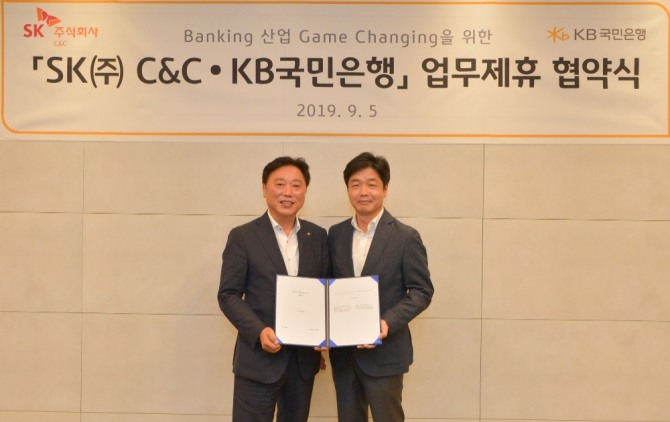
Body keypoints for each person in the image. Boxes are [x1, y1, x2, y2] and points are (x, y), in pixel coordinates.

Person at [218, 156, 329, 422]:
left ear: (305, 191)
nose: (288, 192)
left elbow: (326, 292)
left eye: (296, 185)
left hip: (302, 363)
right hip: (258, 360)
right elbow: (229, 295)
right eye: (280, 184)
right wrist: (259, 331)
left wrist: (325, 333)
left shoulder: (317, 236)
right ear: (264, 188)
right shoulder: (243, 236)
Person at [327, 152, 434, 421]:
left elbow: (421, 291)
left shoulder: (405, 237)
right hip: (344, 354)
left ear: (385, 189)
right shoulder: (335, 234)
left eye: (371, 184)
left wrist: (386, 322)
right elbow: (327, 287)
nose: (363, 192)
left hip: (386, 354)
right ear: (348, 190)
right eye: (355, 184)